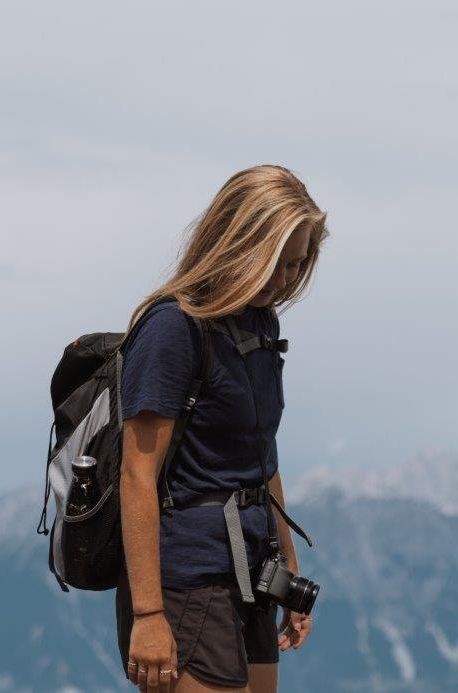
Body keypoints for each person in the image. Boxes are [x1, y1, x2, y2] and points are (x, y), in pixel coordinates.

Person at [116, 165, 328, 692]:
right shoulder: (174, 327)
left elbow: (263, 457)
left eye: (297, 264)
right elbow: (136, 474)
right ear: (236, 242)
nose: (283, 280)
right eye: (276, 261)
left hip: (252, 566)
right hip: (187, 579)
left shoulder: (259, 324)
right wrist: (147, 616)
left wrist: (290, 576)